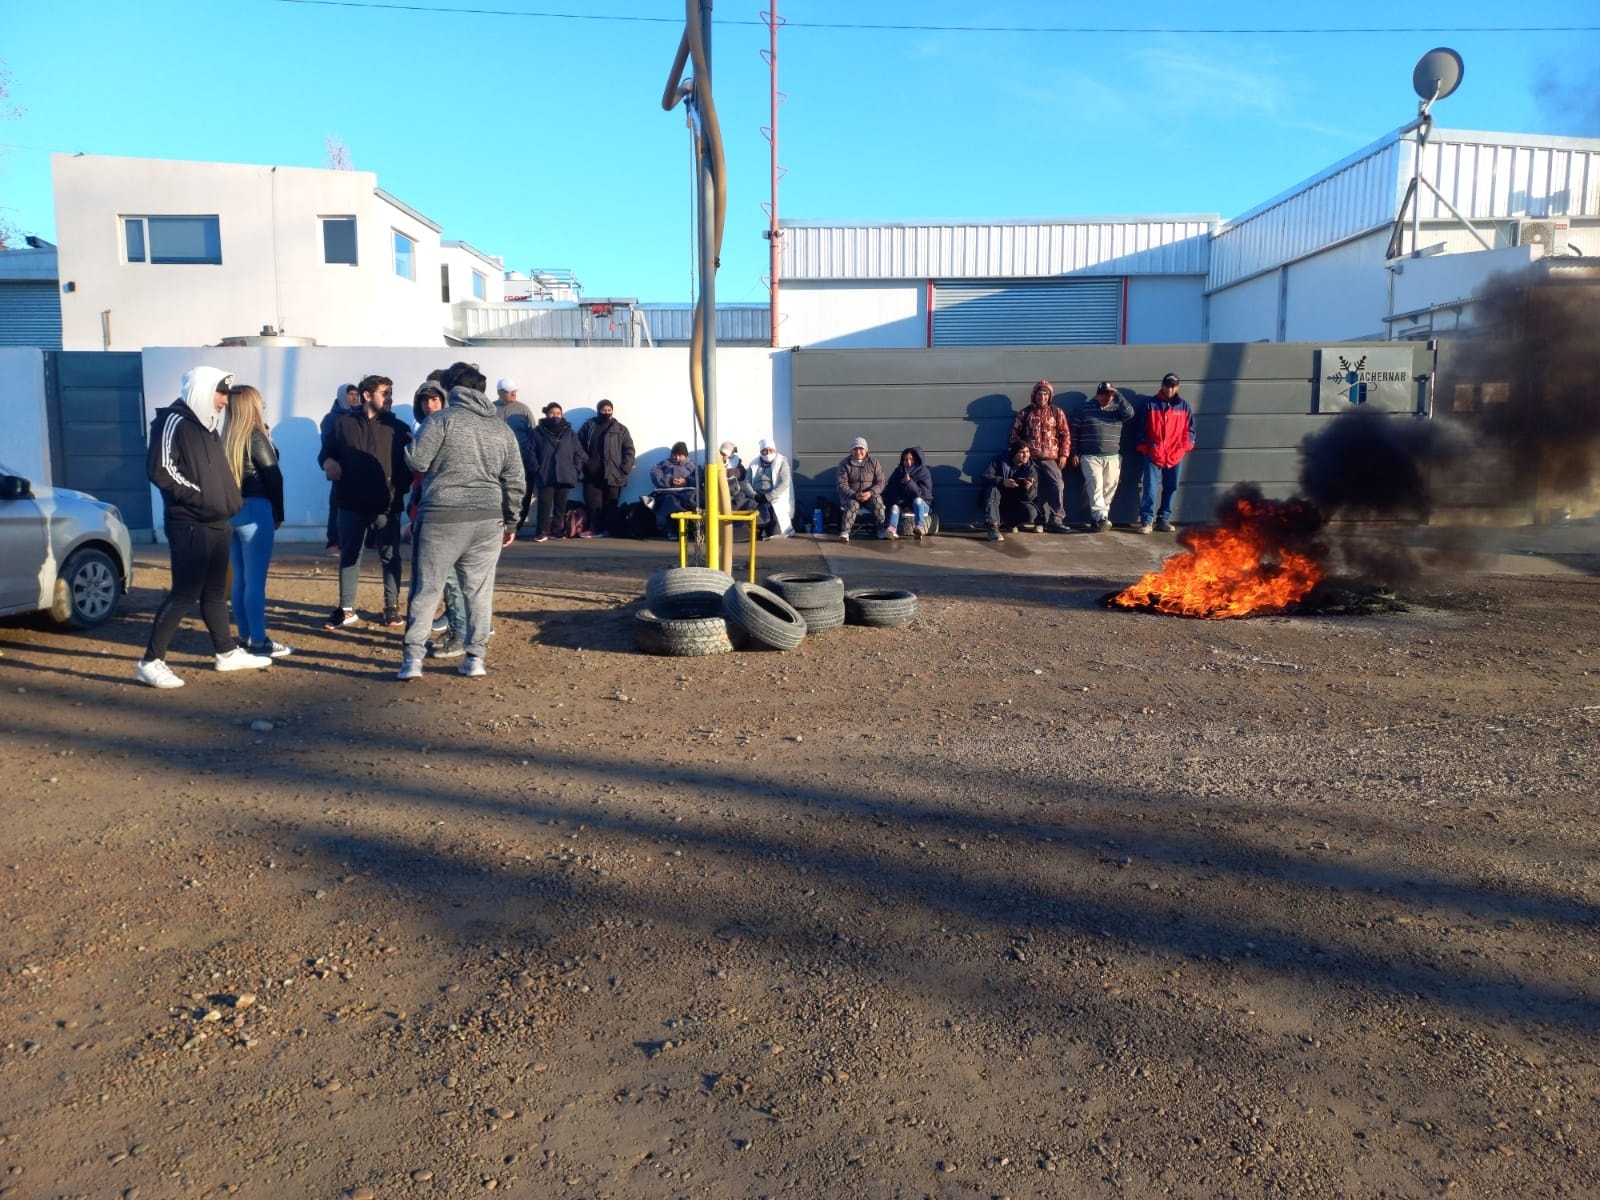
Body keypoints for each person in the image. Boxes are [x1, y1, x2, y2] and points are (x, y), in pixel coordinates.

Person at [135, 366, 272, 688]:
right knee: (185, 592)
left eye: (226, 393)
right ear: (202, 389)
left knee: (213, 593)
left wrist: (229, 503)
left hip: (218, 522)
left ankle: (226, 652)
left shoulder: (207, 427)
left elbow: (219, 474)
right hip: (189, 523)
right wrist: (202, 499)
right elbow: (161, 470)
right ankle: (150, 661)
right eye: (220, 392)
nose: (225, 400)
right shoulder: (172, 421)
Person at [398, 366, 525, 681]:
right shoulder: (502, 429)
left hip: (442, 515)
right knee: (479, 592)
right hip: (488, 519)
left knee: (426, 588)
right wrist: (510, 522)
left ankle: (413, 661)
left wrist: (408, 443)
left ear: (452, 388)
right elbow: (516, 479)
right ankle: (475, 659)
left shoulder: (440, 421)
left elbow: (417, 461)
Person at [320, 374, 411, 628]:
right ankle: (346, 609)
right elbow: (326, 453)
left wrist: (397, 490)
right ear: (367, 396)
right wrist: (328, 463)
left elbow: (408, 466)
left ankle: (391, 607)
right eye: (386, 393)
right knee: (349, 554)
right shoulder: (343, 424)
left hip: (387, 505)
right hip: (350, 503)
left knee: (390, 556)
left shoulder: (399, 428)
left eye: (391, 393)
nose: (390, 399)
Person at [223, 383, 291, 658]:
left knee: (240, 580)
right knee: (255, 581)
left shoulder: (226, 438)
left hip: (232, 512)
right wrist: (279, 513)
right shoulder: (256, 436)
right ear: (253, 405)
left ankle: (244, 636)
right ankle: (259, 641)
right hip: (257, 509)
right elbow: (273, 476)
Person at [406, 381, 467, 658]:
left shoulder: (450, 431)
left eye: (435, 400)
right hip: (424, 511)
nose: (430, 406)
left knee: (450, 577)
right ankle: (450, 628)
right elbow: (417, 477)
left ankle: (460, 632)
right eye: (425, 401)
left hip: (445, 513)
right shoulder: (420, 431)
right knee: (430, 577)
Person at [1069, 381, 1135, 532]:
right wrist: (1074, 453)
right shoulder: (1085, 409)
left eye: (1108, 394)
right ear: (1097, 395)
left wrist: (1117, 394)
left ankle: (1098, 518)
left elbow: (1130, 413)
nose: (1105, 398)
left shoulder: (1118, 409)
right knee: (1095, 486)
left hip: (1112, 456)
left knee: (1110, 487)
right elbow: (1075, 432)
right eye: (1102, 394)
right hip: (1090, 457)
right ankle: (1101, 517)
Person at [1008, 379, 1072, 532]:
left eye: (1045, 394)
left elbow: (1065, 435)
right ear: (1034, 395)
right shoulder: (1025, 413)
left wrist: (1064, 455)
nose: (1042, 397)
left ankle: (1056, 519)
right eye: (1039, 394)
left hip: (1051, 459)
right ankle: (1039, 520)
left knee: (1057, 486)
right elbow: (1014, 436)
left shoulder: (1057, 412)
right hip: (1031, 459)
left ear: (1049, 396)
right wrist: (1023, 453)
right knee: (1033, 488)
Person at [1136, 372, 1196, 534]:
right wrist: (1146, 448)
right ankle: (1147, 521)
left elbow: (1189, 431)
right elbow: (1141, 428)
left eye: (1173, 386)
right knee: (1150, 487)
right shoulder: (1150, 404)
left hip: (1175, 454)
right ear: (1162, 385)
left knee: (1171, 486)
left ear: (1177, 387)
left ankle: (1163, 519)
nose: (1169, 389)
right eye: (1167, 385)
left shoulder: (1184, 406)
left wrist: (1184, 447)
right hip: (1154, 454)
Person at [526, 401, 584, 542]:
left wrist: (575, 468)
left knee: (560, 506)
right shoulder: (537, 432)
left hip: (565, 474)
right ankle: (541, 532)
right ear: (547, 414)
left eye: (558, 413)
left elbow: (579, 452)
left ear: (562, 414)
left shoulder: (569, 433)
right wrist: (537, 469)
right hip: (545, 474)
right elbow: (530, 452)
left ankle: (557, 531)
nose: (555, 416)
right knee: (544, 506)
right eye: (552, 413)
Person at [577, 399, 635, 537]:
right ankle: (594, 529)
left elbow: (629, 450)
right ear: (598, 410)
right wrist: (586, 463)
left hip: (614, 473)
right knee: (593, 503)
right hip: (592, 473)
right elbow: (578, 447)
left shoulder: (620, 429)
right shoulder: (589, 426)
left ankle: (610, 530)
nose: (606, 413)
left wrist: (624, 469)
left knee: (611, 505)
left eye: (609, 410)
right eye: (603, 410)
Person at [319, 382, 359, 554]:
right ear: (342, 396)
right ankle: (333, 542)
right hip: (340, 470)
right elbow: (329, 445)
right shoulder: (331, 419)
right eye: (351, 395)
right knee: (337, 505)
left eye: (356, 395)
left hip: (358, 470)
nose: (355, 398)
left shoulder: (361, 416)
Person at [494, 377, 538, 532]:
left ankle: (515, 528)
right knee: (500, 495)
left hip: (523, 461)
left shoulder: (523, 409)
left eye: (515, 390)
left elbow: (533, 433)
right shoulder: (491, 410)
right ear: (500, 392)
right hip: (498, 462)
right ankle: (499, 528)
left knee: (522, 494)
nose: (513, 393)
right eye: (509, 391)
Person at [980, 444, 1040, 542]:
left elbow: (1030, 498)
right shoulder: (1000, 461)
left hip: (1015, 503)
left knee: (1032, 513)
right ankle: (993, 528)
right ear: (1014, 453)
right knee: (992, 488)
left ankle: (1010, 524)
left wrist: (1028, 489)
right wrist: (1002, 481)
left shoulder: (1031, 468)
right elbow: (985, 477)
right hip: (998, 501)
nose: (1025, 455)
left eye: (1027, 452)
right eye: (1021, 452)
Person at [834, 436, 886, 542]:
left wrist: (870, 493)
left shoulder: (874, 462)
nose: (858, 451)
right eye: (855, 449)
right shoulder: (844, 464)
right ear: (852, 450)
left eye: (861, 448)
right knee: (853, 504)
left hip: (870, 496)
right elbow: (841, 484)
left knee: (878, 501)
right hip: (850, 496)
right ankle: (845, 533)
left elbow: (881, 482)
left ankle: (881, 529)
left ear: (866, 450)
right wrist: (854, 495)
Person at [883, 446, 934, 541]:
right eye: (906, 460)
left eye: (911, 459)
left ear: (917, 459)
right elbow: (891, 491)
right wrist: (903, 504)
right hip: (904, 505)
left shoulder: (924, 472)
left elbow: (923, 494)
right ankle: (891, 530)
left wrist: (909, 482)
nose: (909, 462)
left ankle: (919, 527)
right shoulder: (898, 472)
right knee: (894, 507)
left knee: (917, 501)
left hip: (922, 505)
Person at [650, 441, 700, 536]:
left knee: (691, 500)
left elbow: (700, 478)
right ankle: (672, 530)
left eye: (680, 455)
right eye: (675, 455)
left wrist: (687, 481)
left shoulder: (693, 466)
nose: (677, 458)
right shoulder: (664, 464)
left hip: (686, 492)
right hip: (668, 492)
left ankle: (690, 528)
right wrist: (669, 481)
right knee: (669, 501)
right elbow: (654, 473)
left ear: (685, 455)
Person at [748, 437, 793, 538]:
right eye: (765, 451)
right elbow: (747, 482)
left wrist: (768, 496)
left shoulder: (782, 461)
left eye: (771, 450)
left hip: (774, 496)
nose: (768, 453)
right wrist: (754, 495)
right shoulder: (753, 463)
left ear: (775, 450)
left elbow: (784, 483)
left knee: (773, 511)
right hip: (757, 495)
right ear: (761, 451)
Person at [718, 441, 756, 511]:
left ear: (729, 456)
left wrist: (727, 472)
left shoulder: (737, 464)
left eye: (724, 454)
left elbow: (743, 475)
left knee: (742, 496)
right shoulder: (713, 462)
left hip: (734, 493)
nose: (722, 456)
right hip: (717, 492)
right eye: (720, 453)